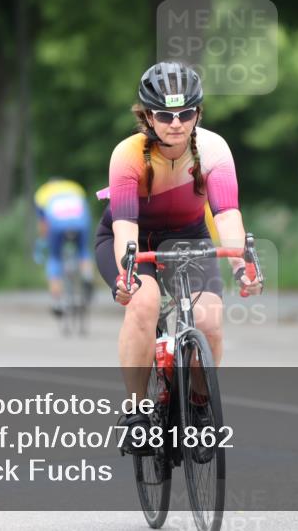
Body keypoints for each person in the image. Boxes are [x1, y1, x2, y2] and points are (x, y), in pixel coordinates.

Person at [94, 61, 263, 443]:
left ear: (198, 114)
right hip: (133, 238)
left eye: (186, 113)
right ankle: (137, 411)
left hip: (189, 237)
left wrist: (241, 265)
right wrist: (128, 276)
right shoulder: (128, 154)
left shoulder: (214, 149)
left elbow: (227, 214)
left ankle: (200, 407)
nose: (176, 123)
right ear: (147, 117)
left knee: (209, 319)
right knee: (144, 302)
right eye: (164, 115)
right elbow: (124, 226)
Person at [34, 177, 94, 317]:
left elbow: (43, 223)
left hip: (57, 225)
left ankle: (57, 301)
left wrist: (42, 241)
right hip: (80, 222)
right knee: (83, 251)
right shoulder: (74, 187)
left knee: (54, 258)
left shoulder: (42, 193)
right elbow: (85, 208)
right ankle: (87, 276)